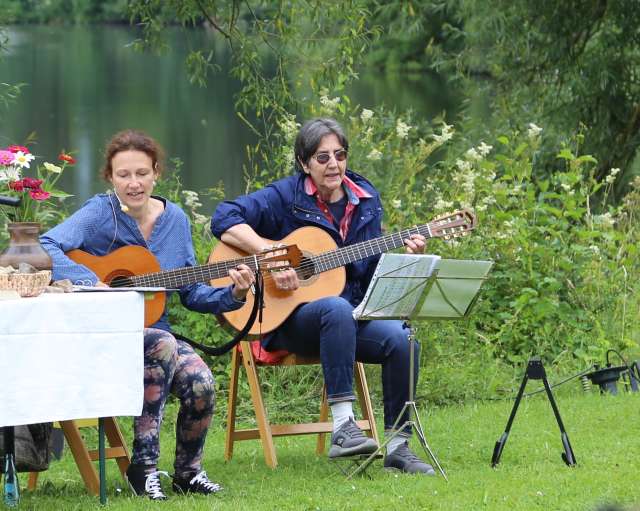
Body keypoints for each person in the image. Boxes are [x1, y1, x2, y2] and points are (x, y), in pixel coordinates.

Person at [211, 118, 434, 474]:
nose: (333, 164)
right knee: (335, 307)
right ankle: (344, 427)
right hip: (288, 320)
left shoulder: (366, 199)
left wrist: (402, 255)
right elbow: (223, 217)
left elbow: (368, 267)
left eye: (340, 155)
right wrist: (270, 255)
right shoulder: (285, 197)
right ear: (304, 163)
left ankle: (398, 447)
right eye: (322, 157)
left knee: (402, 339)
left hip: (348, 316)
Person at [41, 130, 255, 500]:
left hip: (156, 334)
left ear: (156, 173)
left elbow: (192, 294)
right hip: (102, 337)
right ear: (110, 177)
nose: (133, 183)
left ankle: (187, 473)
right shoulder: (99, 212)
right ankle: (143, 467)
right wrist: (93, 282)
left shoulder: (176, 222)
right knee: (161, 342)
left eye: (141, 173)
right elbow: (47, 244)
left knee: (201, 380)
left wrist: (235, 292)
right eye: (123, 175)